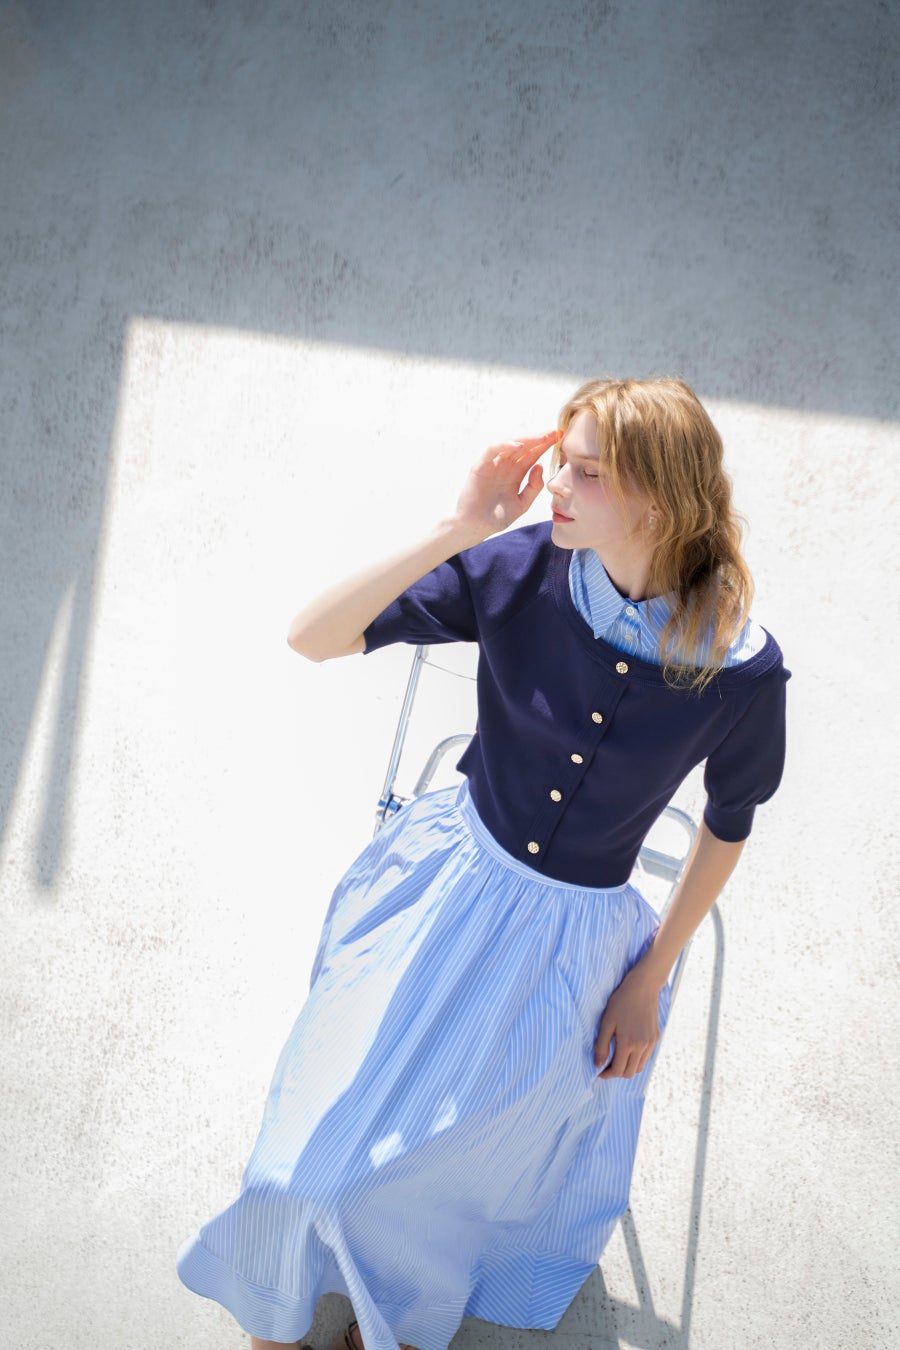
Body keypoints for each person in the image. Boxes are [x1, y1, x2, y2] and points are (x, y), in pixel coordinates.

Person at [176, 377, 789, 1350]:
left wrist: (649, 978)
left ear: (659, 501)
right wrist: (458, 527)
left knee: (435, 1185)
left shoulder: (741, 668)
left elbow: (728, 824)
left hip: (571, 952)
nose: (556, 486)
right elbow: (309, 637)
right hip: (441, 888)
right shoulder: (524, 569)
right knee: (297, 1174)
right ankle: (275, 1322)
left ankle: (391, 1316)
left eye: (587, 473)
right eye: (563, 461)